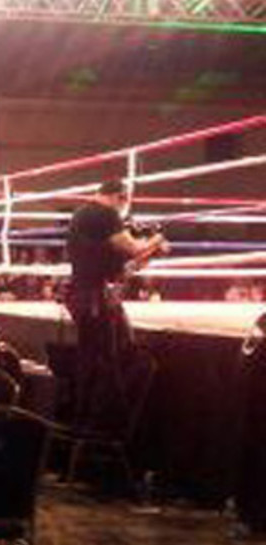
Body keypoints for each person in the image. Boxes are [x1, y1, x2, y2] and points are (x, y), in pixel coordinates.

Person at [65, 179, 168, 430]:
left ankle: (90, 420)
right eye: (125, 202)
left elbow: (122, 268)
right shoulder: (104, 213)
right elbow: (133, 249)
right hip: (94, 298)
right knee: (108, 358)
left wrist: (151, 252)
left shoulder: (84, 215)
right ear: (119, 197)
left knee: (109, 354)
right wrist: (156, 239)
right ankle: (105, 424)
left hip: (89, 295)